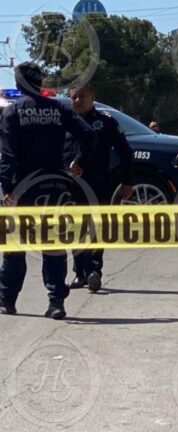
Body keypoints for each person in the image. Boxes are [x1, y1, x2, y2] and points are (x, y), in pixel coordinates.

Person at [0, 62, 95, 319]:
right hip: (54, 186)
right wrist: (79, 161)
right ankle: (56, 302)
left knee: (15, 245)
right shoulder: (59, 109)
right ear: (41, 83)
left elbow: (8, 155)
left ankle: (7, 299)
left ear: (19, 85)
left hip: (22, 188)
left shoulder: (12, 112)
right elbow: (88, 134)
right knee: (53, 244)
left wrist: (6, 187)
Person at [65, 84, 134, 292]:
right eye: (74, 97)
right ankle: (80, 273)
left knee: (96, 228)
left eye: (82, 96)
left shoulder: (106, 122)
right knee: (77, 228)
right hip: (70, 185)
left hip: (99, 183)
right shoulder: (65, 122)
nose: (78, 101)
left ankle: (95, 271)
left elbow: (126, 152)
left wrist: (128, 181)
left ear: (93, 96)